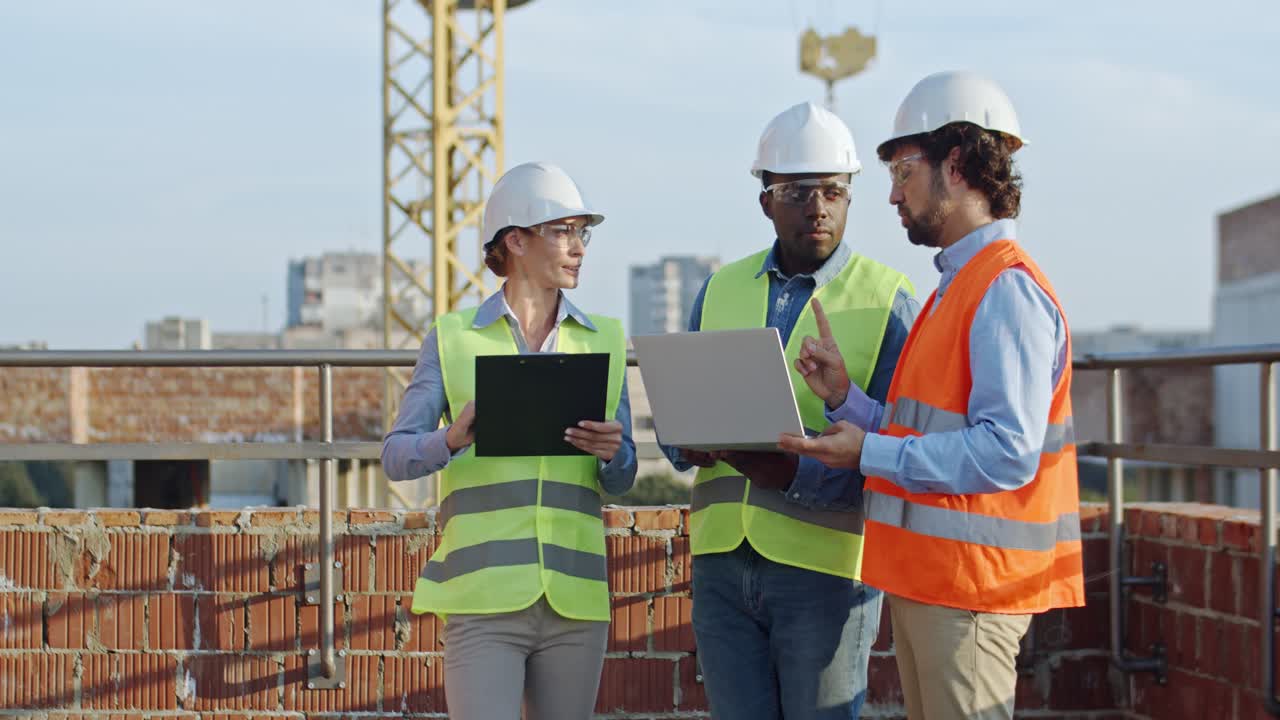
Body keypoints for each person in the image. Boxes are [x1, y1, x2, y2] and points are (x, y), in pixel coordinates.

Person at [779, 71, 1086, 719]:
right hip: (937, 584)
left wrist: (869, 454)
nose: (891, 194)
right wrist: (849, 404)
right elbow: (930, 427)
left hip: (972, 589)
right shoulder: (959, 285)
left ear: (957, 162)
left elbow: (1006, 452)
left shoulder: (1004, 290)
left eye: (903, 170)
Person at [664, 101, 919, 719]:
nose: (819, 206)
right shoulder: (720, 288)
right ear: (766, 201)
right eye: (800, 191)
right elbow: (679, 427)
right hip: (724, 561)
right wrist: (690, 441)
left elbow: (899, 443)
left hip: (823, 569)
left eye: (834, 190)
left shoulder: (888, 299)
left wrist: (789, 466)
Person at [381, 161, 637, 720]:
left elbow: (623, 476)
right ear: (516, 240)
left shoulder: (607, 341)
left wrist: (613, 453)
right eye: (563, 230)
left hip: (575, 599)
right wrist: (452, 437)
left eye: (582, 232)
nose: (579, 247)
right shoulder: (453, 339)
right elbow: (396, 457)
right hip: (482, 598)